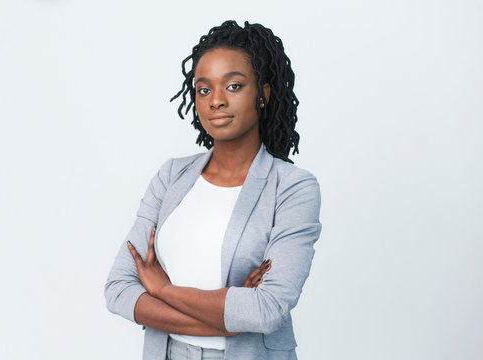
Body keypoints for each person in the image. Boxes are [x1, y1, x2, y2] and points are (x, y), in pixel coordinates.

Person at [105, 20, 322, 360]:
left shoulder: (293, 188)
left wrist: (162, 289)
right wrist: (230, 319)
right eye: (204, 89)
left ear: (262, 94)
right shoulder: (172, 176)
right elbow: (119, 290)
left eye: (233, 86)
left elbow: (267, 309)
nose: (216, 101)